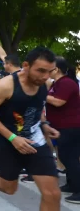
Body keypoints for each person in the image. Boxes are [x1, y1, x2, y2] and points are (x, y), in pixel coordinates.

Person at [0, 47, 61, 210]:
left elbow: (37, 106)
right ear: (26, 65)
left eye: (50, 71)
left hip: (35, 141)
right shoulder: (6, 85)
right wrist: (13, 138)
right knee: (9, 188)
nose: (45, 76)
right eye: (40, 71)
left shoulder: (45, 83)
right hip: (7, 141)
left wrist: (44, 124)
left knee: (53, 194)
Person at [45, 56, 80, 203]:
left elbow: (59, 102)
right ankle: (72, 184)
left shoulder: (66, 83)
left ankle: (78, 190)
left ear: (56, 69)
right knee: (65, 156)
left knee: (69, 157)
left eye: (49, 68)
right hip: (61, 126)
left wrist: (42, 95)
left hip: (70, 126)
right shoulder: (57, 83)